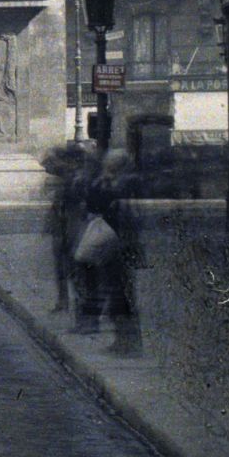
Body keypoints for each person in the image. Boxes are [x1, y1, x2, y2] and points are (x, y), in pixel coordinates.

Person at [85, 149, 144, 354]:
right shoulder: (118, 182)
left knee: (122, 295)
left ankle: (129, 342)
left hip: (120, 244)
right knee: (118, 294)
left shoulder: (124, 183)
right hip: (116, 244)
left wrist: (104, 183)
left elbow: (96, 204)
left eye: (110, 164)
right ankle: (123, 340)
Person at [40, 141, 85, 313]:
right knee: (61, 266)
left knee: (73, 267)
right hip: (61, 227)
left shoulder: (78, 179)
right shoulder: (67, 177)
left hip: (72, 227)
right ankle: (64, 301)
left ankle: (75, 302)